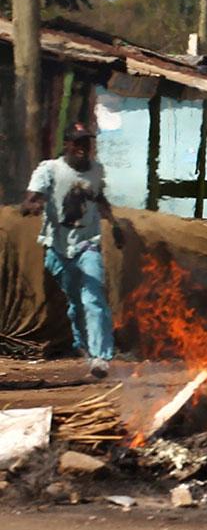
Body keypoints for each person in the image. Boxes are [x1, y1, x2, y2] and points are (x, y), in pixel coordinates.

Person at [22, 124, 115, 378]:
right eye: (78, 143)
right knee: (75, 301)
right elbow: (30, 198)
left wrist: (114, 223)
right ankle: (84, 346)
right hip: (58, 247)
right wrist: (34, 204)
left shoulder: (96, 171)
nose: (83, 148)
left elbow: (99, 198)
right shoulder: (50, 169)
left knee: (93, 297)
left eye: (87, 143)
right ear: (68, 145)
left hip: (88, 244)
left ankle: (101, 357)